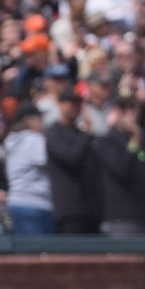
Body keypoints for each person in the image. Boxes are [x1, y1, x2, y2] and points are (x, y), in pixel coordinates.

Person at [96, 96, 145, 236]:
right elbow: (121, 169)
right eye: (123, 107)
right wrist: (135, 141)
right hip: (123, 217)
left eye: (133, 106)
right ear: (115, 110)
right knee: (125, 258)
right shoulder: (108, 141)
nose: (129, 111)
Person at [44, 87, 102, 234]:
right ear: (60, 104)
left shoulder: (81, 134)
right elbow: (71, 158)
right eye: (70, 102)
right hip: (69, 212)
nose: (75, 107)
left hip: (92, 210)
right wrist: (86, 134)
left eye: (78, 103)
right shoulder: (53, 132)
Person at [4, 102, 55, 235]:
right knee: (40, 253)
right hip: (35, 205)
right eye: (39, 118)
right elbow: (52, 163)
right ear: (28, 120)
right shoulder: (34, 140)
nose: (42, 122)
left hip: (17, 202)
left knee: (27, 253)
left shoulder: (12, 140)